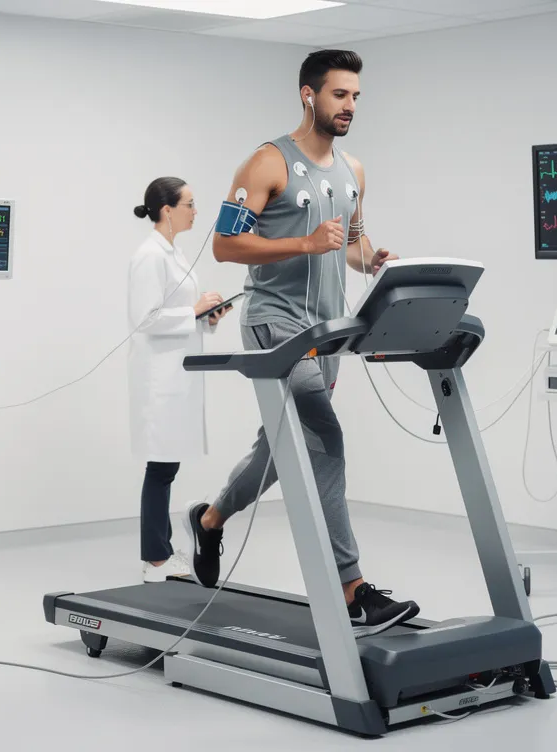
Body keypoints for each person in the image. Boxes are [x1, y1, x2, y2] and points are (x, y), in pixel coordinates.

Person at [181, 50, 418, 637]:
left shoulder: (353, 171)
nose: (351, 107)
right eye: (340, 95)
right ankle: (353, 588)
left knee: (279, 449)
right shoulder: (267, 163)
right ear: (309, 96)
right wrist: (304, 245)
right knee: (324, 439)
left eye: (357, 96)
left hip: (327, 333)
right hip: (274, 322)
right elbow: (226, 248)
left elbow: (351, 246)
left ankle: (208, 521)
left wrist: (373, 260)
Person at [128, 177, 233, 583]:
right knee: (161, 467)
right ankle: (155, 559)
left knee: (165, 466)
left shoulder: (174, 253)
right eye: (190, 203)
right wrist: (194, 310)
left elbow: (178, 316)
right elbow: (146, 318)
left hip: (177, 371)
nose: (195, 210)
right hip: (159, 378)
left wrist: (208, 317)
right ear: (167, 210)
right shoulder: (149, 256)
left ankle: (159, 552)